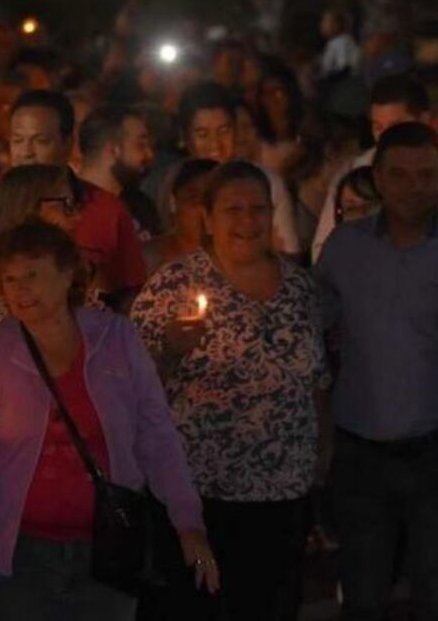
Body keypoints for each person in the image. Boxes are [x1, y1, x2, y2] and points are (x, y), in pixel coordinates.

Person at [0, 220, 216, 621]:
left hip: (106, 548)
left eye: (32, 276)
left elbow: (157, 436)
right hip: (17, 553)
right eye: (10, 279)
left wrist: (188, 523)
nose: (19, 290)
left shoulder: (117, 339)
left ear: (67, 273)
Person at [131, 161, 331, 620]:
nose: (246, 221)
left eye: (257, 209)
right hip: (200, 498)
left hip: (283, 497)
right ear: (207, 217)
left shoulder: (301, 289)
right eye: (232, 209)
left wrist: (322, 457)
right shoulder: (173, 287)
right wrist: (170, 353)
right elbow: (131, 391)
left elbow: (318, 380)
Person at [316, 122, 438, 621]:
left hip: (433, 449)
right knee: (364, 594)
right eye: (401, 175)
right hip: (360, 449)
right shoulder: (345, 249)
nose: (415, 187)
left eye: (427, 175)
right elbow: (316, 338)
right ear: (379, 179)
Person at [0, 90, 147, 305]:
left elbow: (129, 292)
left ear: (67, 143)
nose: (26, 152)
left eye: (41, 141)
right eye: (17, 141)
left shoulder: (107, 210)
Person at [157, 81, 301, 259]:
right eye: (202, 134)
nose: (215, 145)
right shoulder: (173, 182)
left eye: (224, 131)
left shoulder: (266, 182)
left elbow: (289, 255)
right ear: (185, 137)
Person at [310, 73, 431, 261]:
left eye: (396, 126)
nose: (385, 137)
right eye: (378, 127)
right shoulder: (352, 173)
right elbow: (322, 249)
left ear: (424, 120)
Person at [77, 106, 161, 240]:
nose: (150, 155)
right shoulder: (71, 209)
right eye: (141, 145)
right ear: (113, 151)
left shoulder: (141, 205)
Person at [142, 158, 217, 274]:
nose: (204, 209)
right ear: (173, 202)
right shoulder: (146, 259)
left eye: (212, 199)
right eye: (194, 199)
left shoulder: (237, 260)